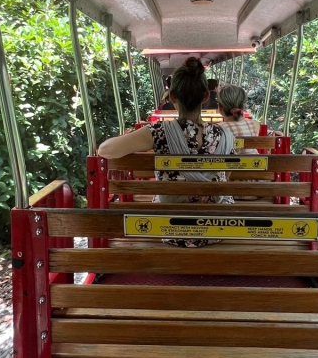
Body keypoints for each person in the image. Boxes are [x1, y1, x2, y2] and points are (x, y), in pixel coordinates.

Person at [97, 57, 236, 246]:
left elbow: (105, 150)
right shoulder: (225, 135)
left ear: (172, 97)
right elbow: (226, 177)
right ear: (205, 97)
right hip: (216, 230)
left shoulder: (158, 132)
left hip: (171, 229)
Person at [216, 84, 262, 153]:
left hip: (230, 160)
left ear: (220, 107)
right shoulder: (255, 124)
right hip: (254, 159)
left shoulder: (218, 129)